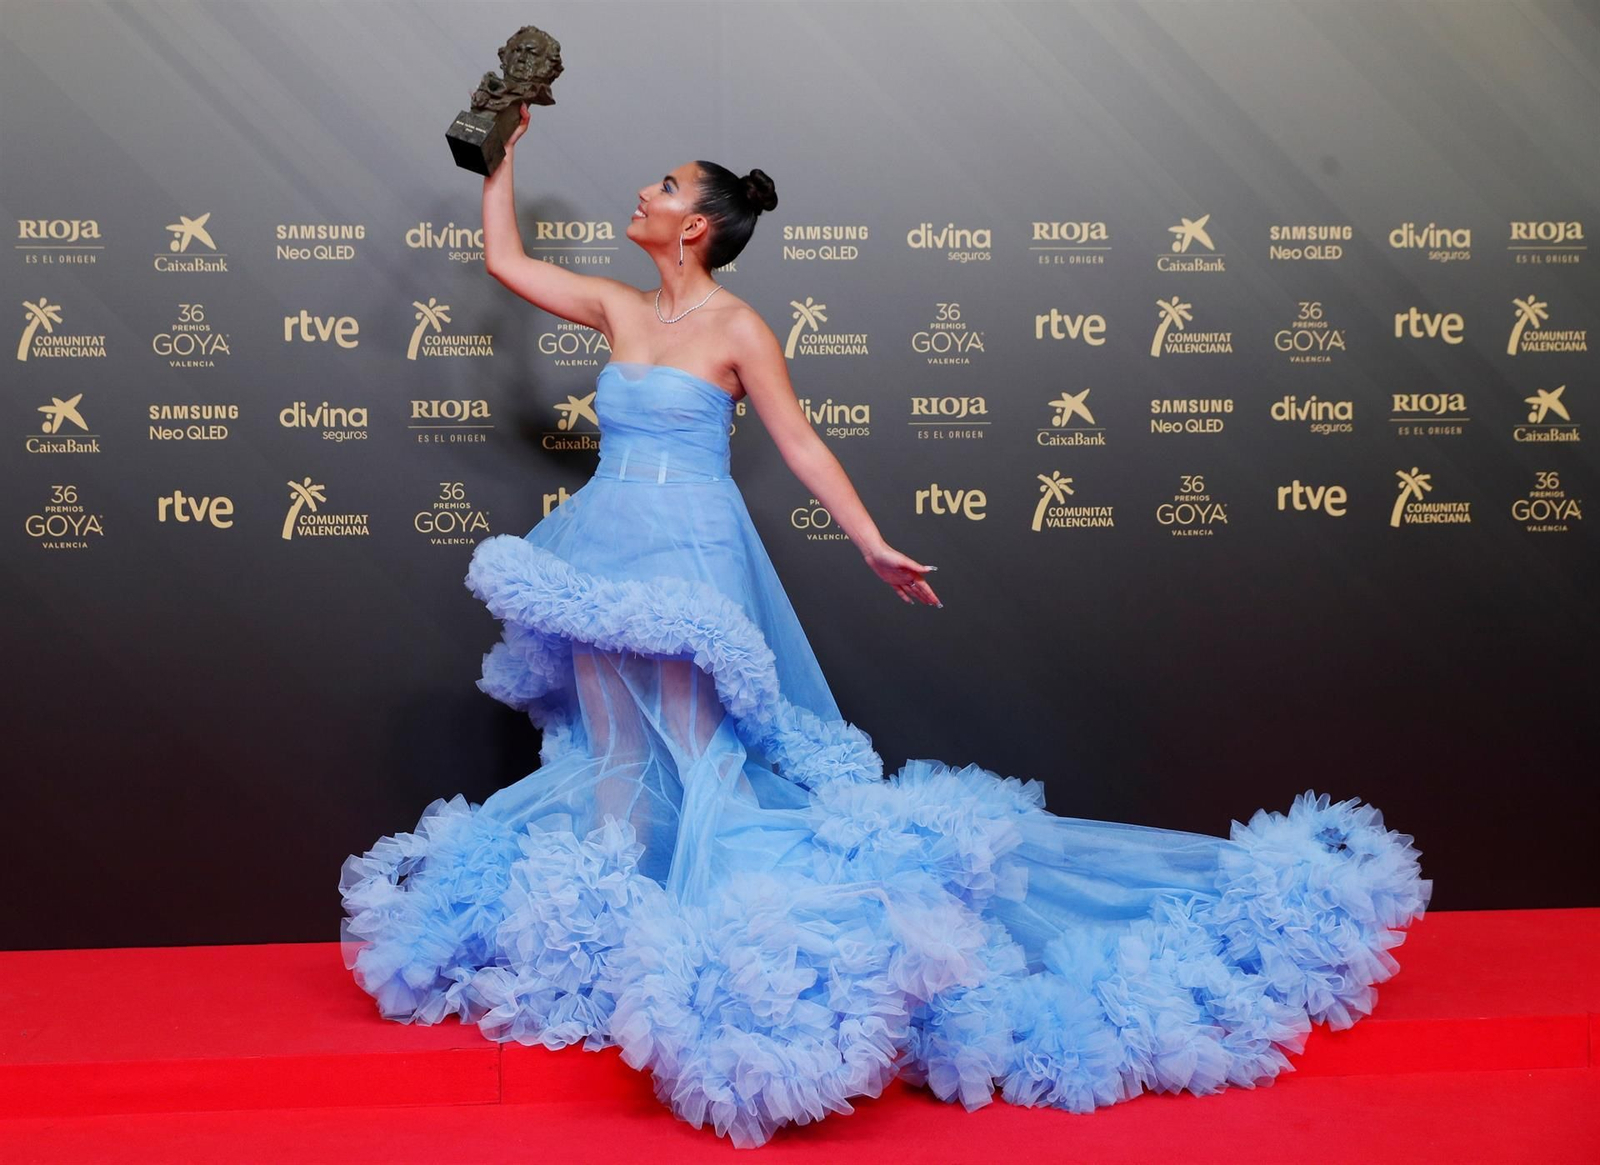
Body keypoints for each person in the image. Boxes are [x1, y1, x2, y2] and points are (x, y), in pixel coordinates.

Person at [340, 105, 1433, 1149]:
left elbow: (802, 445)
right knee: (614, 754)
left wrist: (871, 542)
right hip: (604, 542)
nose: (644, 191)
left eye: (663, 186)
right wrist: (499, 162)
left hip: (691, 555)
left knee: (700, 752)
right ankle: (619, 945)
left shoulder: (737, 327)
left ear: (700, 224)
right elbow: (508, 269)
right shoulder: (625, 310)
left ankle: (718, 957)